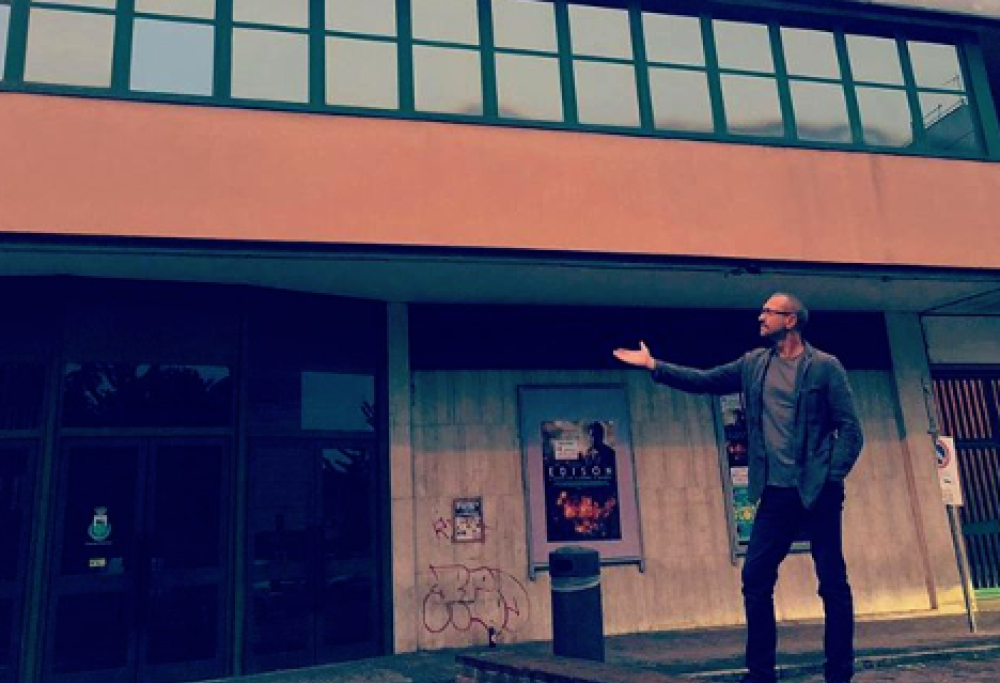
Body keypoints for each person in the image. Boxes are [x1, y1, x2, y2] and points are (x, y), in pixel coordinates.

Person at [613, 293, 863, 683]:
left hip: (818, 491)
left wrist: (831, 475)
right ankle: (760, 674)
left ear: (791, 320)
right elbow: (705, 380)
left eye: (768, 311)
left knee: (832, 583)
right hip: (775, 493)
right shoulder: (753, 364)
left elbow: (851, 429)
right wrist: (654, 365)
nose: (760, 317)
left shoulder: (825, 367)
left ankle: (839, 673)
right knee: (755, 579)